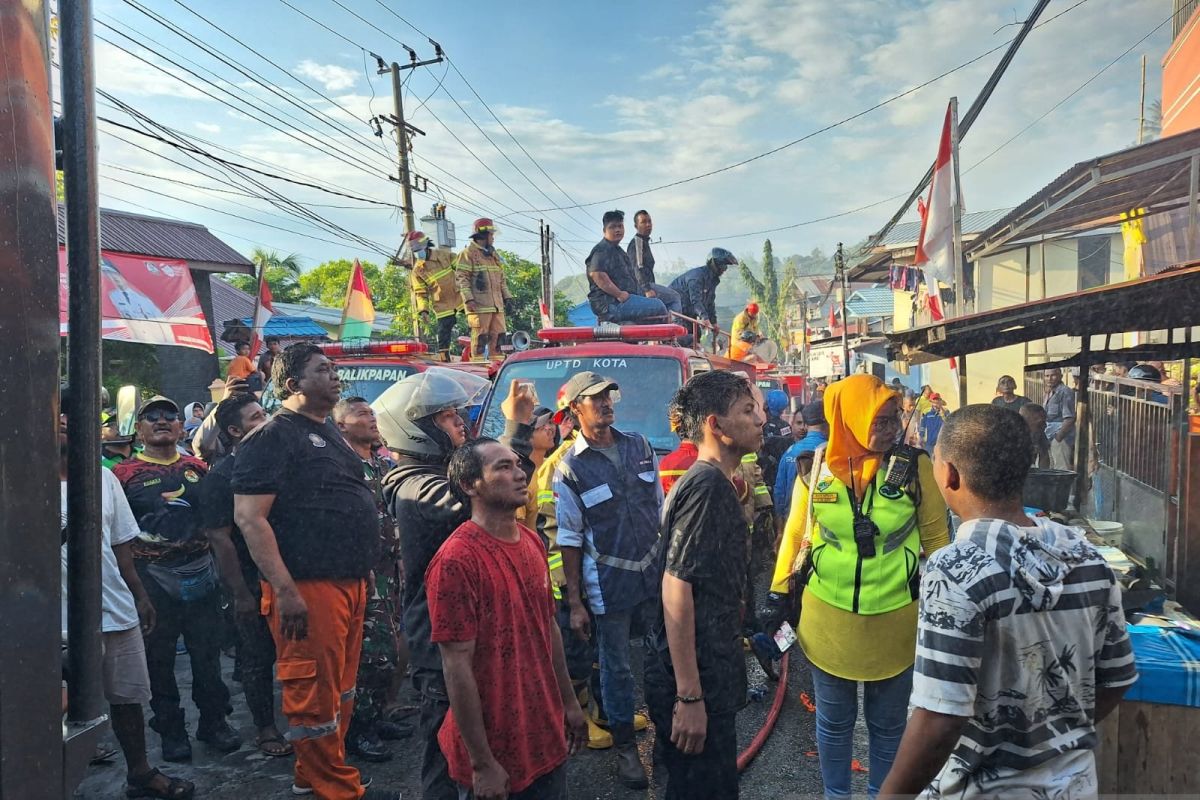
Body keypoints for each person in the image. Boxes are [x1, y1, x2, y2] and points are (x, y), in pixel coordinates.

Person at [878, 405, 1137, 799]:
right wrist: (1049, 734)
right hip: (1074, 785)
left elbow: (939, 719)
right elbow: (1117, 677)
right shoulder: (1087, 558)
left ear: (950, 475)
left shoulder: (956, 570)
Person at [765, 374, 950, 799]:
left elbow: (938, 543)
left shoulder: (914, 468)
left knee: (888, 727)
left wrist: (946, 610)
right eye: (878, 421)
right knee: (832, 723)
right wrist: (777, 594)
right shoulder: (814, 469)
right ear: (847, 417)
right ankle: (836, 796)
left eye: (892, 420)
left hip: (896, 622)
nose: (887, 429)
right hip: (828, 622)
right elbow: (795, 535)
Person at [233, 344, 396, 800]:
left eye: (334, 367)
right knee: (314, 693)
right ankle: (335, 789)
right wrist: (284, 591)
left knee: (340, 692)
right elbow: (250, 518)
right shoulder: (273, 437)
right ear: (292, 385)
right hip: (306, 588)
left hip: (349, 582)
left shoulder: (327, 435)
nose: (335, 375)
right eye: (323, 370)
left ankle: (317, 774)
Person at [428, 439, 589, 800]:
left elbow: (548, 630)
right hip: (493, 750)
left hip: (545, 737)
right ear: (471, 485)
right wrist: (482, 762)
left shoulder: (532, 543)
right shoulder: (456, 560)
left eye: (517, 465)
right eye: (502, 467)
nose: (519, 474)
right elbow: (457, 666)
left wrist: (568, 703)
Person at [59, 392, 195, 800]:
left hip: (113, 608)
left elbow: (121, 543)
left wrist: (138, 595)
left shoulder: (103, 477)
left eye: (72, 411)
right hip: (52, 620)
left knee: (128, 698)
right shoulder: (21, 478)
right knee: (52, 707)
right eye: (59, 412)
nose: (66, 419)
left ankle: (140, 773)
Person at [645, 371, 764, 798]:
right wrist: (690, 698)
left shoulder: (712, 481)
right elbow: (677, 589)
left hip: (708, 674)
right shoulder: (707, 487)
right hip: (697, 684)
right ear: (715, 425)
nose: (761, 420)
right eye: (747, 411)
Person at [111, 395, 239, 763]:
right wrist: (133, 590)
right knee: (159, 662)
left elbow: (220, 524)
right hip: (150, 578)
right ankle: (170, 730)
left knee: (207, 657)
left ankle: (214, 723)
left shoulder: (199, 468)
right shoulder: (122, 475)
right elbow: (115, 536)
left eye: (170, 414)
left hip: (201, 571)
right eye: (151, 416)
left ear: (182, 426)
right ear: (139, 429)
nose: (162, 420)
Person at [553, 371, 663, 788]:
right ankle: (625, 749)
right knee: (616, 668)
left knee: (661, 655)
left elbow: (660, 508)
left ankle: (666, 734)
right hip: (609, 583)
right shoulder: (570, 468)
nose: (605, 404)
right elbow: (569, 536)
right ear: (575, 410)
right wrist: (576, 603)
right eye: (594, 399)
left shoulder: (639, 446)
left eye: (607, 396)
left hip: (652, 574)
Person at [377, 369, 479, 800]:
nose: (460, 423)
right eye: (446, 417)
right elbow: (483, 498)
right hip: (437, 637)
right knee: (443, 749)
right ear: (414, 428)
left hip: (458, 630)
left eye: (457, 414)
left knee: (473, 740)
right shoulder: (416, 486)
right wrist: (518, 431)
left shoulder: (433, 476)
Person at [197, 393, 289, 760]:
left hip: (287, 572)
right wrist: (240, 594)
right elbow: (220, 539)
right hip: (250, 579)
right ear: (234, 431)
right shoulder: (222, 476)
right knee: (256, 656)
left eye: (265, 413)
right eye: (255, 418)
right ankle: (265, 728)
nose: (265, 422)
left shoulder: (282, 463)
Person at [333, 397, 405, 763]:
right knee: (371, 656)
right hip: (363, 572)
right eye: (362, 414)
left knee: (389, 651)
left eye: (374, 413)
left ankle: (375, 719)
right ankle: (357, 731)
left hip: (390, 569)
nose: (372, 419)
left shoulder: (380, 464)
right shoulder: (339, 466)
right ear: (341, 425)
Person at [586, 209, 669, 324]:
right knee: (658, 306)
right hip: (611, 304)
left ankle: (648, 339)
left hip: (622, 302)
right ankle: (666, 339)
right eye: (613, 227)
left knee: (653, 306)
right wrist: (619, 294)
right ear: (604, 230)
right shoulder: (602, 250)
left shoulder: (619, 251)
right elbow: (597, 274)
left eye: (620, 226)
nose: (618, 230)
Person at [455, 218, 513, 362]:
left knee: (499, 338)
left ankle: (497, 366)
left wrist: (508, 298)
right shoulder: (468, 254)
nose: (493, 238)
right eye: (491, 235)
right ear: (482, 236)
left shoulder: (493, 256)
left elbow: (501, 279)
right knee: (480, 338)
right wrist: (468, 299)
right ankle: (479, 367)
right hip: (479, 306)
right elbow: (462, 278)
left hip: (496, 306)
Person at [406, 230, 463, 362]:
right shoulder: (417, 270)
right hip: (442, 303)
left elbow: (462, 269)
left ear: (426, 244)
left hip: (460, 296)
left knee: (475, 321)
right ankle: (445, 359)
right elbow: (421, 293)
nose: (417, 253)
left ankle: (477, 350)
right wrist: (424, 311)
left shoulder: (443, 255)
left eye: (418, 249)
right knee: (443, 331)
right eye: (414, 250)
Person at [773, 400, 829, 523]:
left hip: (792, 523)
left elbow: (779, 492)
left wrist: (780, 529)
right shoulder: (833, 452)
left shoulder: (789, 452)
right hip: (822, 524)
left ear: (807, 424)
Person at [670, 248, 738, 346]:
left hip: (688, 314)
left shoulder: (712, 281)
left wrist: (713, 322)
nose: (724, 270)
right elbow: (695, 300)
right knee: (684, 337)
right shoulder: (696, 277)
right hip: (676, 313)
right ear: (715, 265)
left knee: (697, 335)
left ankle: (695, 359)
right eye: (723, 266)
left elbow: (710, 303)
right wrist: (704, 317)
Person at [625, 209, 683, 316]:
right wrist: (647, 289)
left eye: (649, 221)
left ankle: (667, 325)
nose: (648, 225)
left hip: (644, 285)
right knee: (675, 297)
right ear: (636, 226)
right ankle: (675, 329)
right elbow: (637, 268)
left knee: (662, 305)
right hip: (640, 287)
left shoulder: (644, 242)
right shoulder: (637, 243)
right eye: (643, 222)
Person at [1043, 368, 1076, 470]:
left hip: (1061, 437)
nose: (1050, 379)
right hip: (1049, 436)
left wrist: (1058, 437)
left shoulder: (1065, 392)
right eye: (1047, 376)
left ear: (1060, 376)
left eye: (1053, 375)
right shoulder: (1049, 392)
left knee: (1062, 469)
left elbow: (1070, 418)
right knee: (1051, 468)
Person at [1019, 403, 1052, 469]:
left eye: (1045, 422)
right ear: (1026, 421)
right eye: (1040, 423)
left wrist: (1043, 474)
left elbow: (1044, 455)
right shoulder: (1009, 434)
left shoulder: (1039, 433)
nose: (1045, 426)